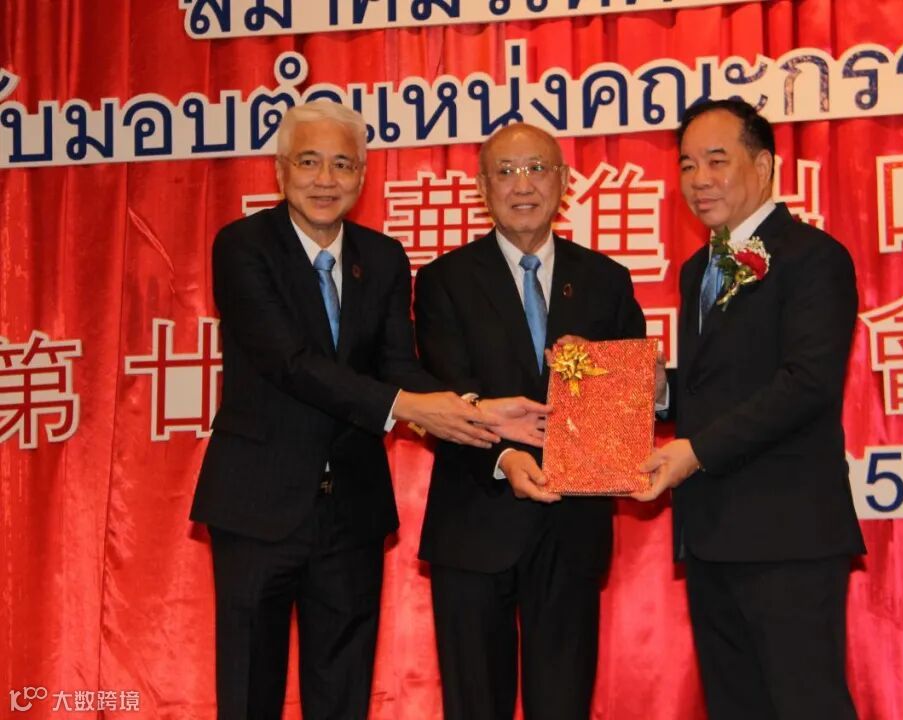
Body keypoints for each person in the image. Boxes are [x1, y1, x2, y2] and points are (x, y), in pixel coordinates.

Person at [190, 101, 547, 720]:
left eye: (343, 164)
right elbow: (291, 362)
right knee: (250, 689)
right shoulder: (244, 246)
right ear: (280, 170)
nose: (325, 179)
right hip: (257, 505)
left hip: (351, 511)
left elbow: (397, 365)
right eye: (309, 162)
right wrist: (406, 405)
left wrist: (477, 413)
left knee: (344, 692)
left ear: (362, 175)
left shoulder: (381, 258)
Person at [635, 98, 866, 719]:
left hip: (786, 533)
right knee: (735, 704)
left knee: (805, 704)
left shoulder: (813, 257)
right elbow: (722, 386)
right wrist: (659, 393)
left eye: (717, 161)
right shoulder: (698, 269)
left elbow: (807, 383)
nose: (699, 179)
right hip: (711, 534)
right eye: (687, 165)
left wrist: (695, 452)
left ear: (763, 166)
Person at [412, 122, 650, 720]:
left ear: (564, 182)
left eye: (538, 169)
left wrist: (603, 377)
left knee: (563, 704)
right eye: (507, 172)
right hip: (474, 522)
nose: (524, 186)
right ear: (482, 187)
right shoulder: (444, 280)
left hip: (572, 528)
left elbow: (630, 401)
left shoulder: (606, 280)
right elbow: (444, 394)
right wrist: (505, 457)